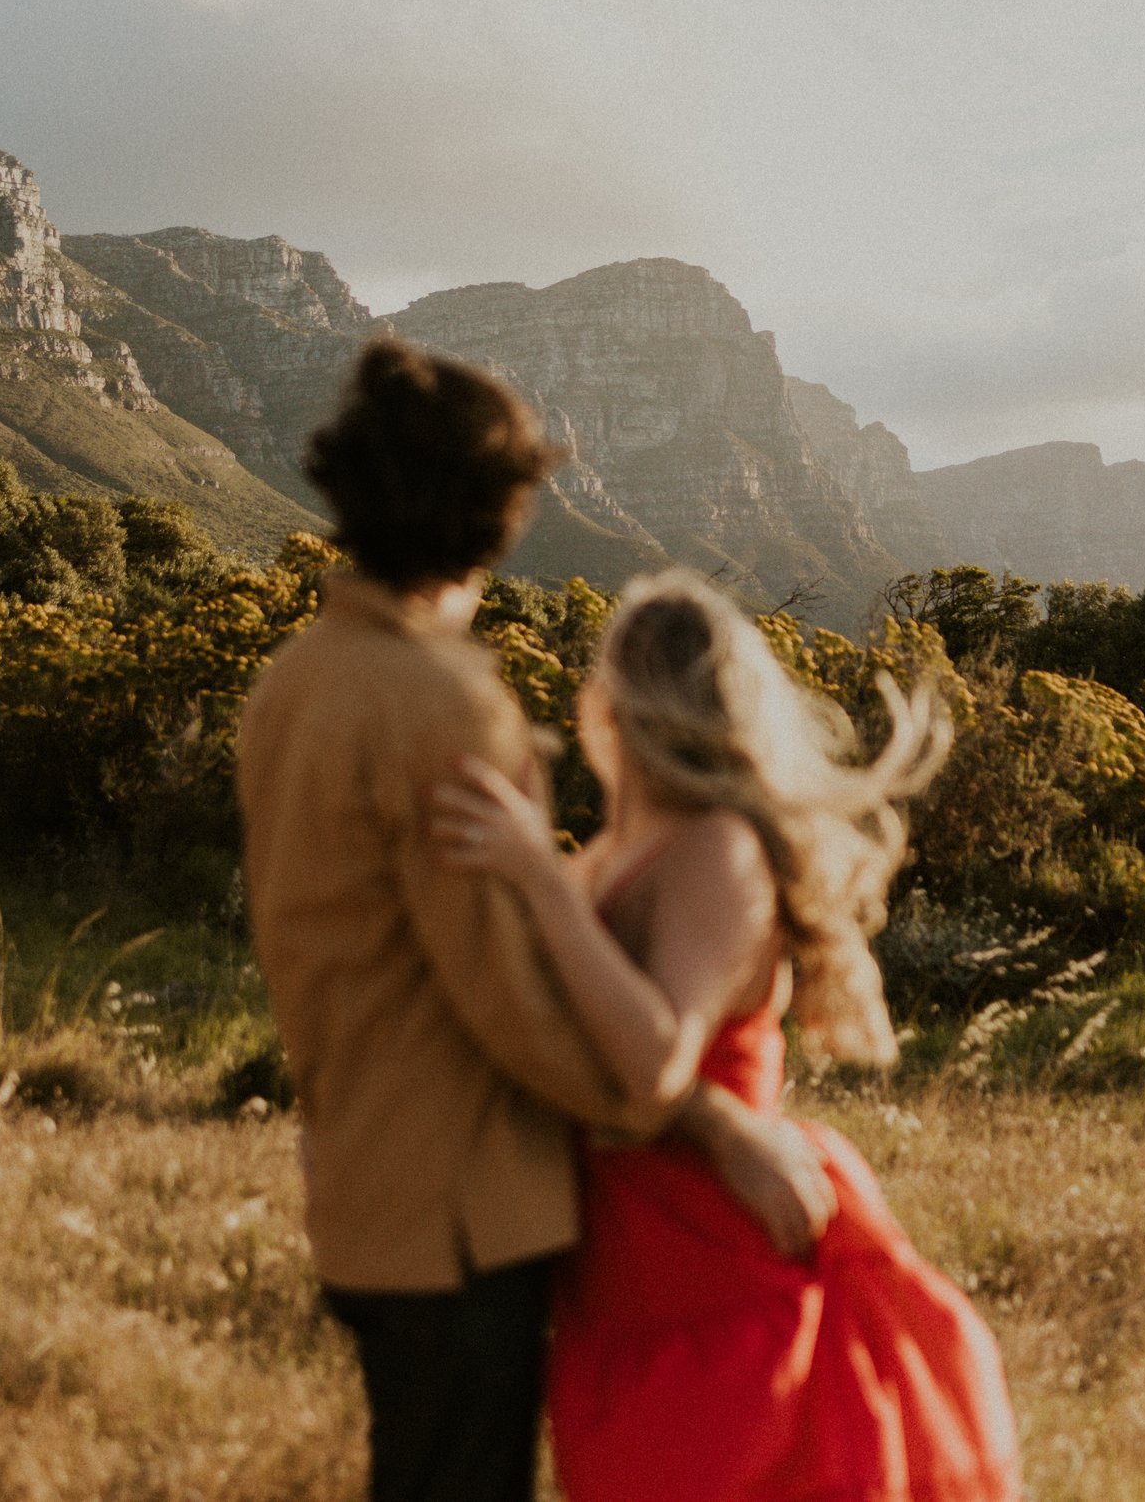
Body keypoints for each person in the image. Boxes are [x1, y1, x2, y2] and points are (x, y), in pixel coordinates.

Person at [236, 339, 841, 1502]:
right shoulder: (446, 701)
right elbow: (504, 991)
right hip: (462, 1213)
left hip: (359, 1183)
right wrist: (703, 1114)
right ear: (496, 513)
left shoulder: (292, 681)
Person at [431, 568, 1026, 1502]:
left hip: (714, 1257)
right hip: (626, 1266)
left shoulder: (717, 848)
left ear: (613, 707)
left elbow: (654, 1061)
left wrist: (537, 879)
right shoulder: (607, 858)